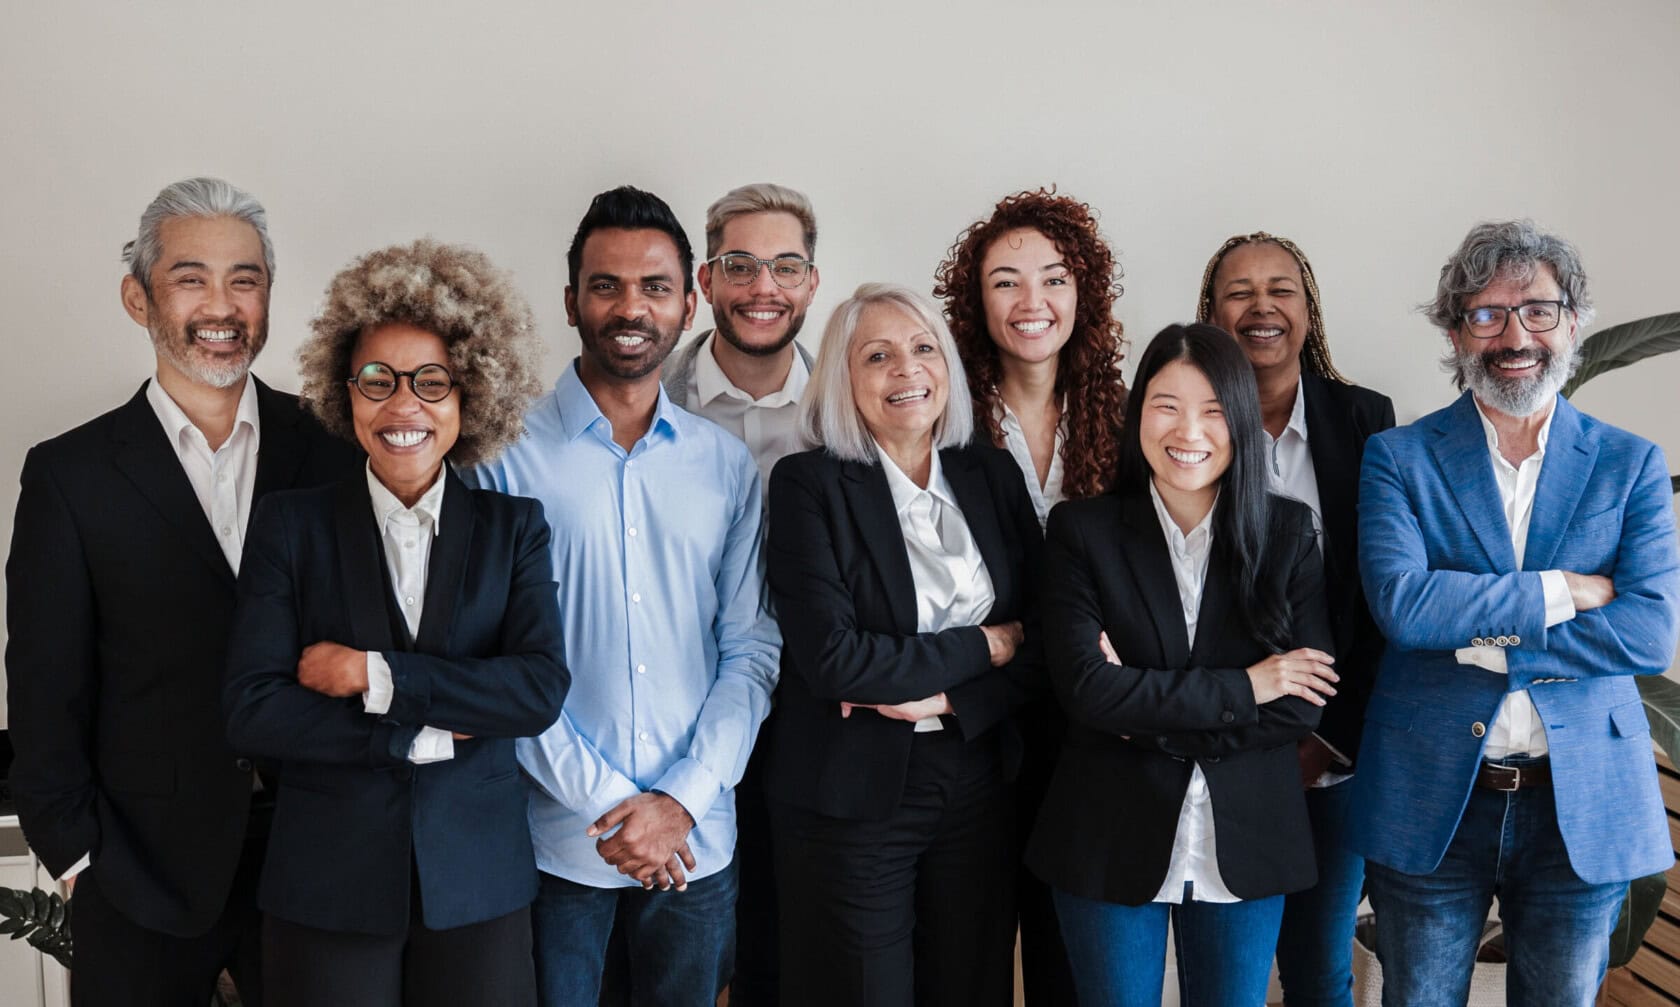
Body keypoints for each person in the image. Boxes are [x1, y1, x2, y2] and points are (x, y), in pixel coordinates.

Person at [4, 177, 360, 1006]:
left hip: (314, 861)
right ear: (139, 297)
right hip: (137, 872)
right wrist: (80, 862)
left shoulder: (338, 451)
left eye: (245, 278)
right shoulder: (70, 476)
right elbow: (46, 691)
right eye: (191, 277)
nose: (223, 303)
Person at [221, 239, 567, 1006]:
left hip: (478, 887)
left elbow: (536, 690)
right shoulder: (289, 526)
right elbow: (252, 708)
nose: (403, 404)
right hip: (326, 890)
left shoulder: (516, 529)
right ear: (346, 392)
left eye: (431, 381)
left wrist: (373, 675)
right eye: (377, 380)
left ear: (468, 394)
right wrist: (421, 731)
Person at [464, 185, 781, 1007]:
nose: (630, 307)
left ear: (689, 301)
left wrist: (680, 799)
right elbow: (496, 661)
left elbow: (749, 650)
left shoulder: (724, 467)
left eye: (654, 287)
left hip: (696, 842)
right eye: (606, 285)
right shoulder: (502, 458)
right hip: (557, 843)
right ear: (570, 300)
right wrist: (614, 807)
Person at [1350, 220, 1680, 1005]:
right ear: (1457, 331)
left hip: (1580, 805)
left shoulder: (1630, 464)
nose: (1513, 334)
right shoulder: (1398, 458)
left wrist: (1493, 646)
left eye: (1536, 309)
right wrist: (1563, 591)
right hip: (1434, 795)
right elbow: (1406, 606)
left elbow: (1647, 629)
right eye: (1486, 314)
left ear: (1572, 321)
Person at [1028, 323, 1339, 1006]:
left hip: (1249, 835)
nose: (1188, 430)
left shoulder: (1288, 535)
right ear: (1139, 411)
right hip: (1107, 833)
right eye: (1166, 404)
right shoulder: (1081, 531)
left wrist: (1138, 708)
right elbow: (1085, 690)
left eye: (1213, 410)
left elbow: (1300, 706)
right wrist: (1248, 684)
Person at [765, 282, 1043, 1007]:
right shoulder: (808, 485)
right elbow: (835, 660)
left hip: (980, 776)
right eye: (877, 355)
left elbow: (1045, 639)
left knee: (972, 985)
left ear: (947, 366)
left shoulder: (991, 472)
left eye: (923, 349)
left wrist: (948, 689)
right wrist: (989, 646)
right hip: (855, 793)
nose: (906, 370)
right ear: (842, 378)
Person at [935, 186, 1128, 1004]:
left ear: (1083, 294)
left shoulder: (1126, 417)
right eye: (1006, 280)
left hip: (1092, 726)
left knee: (1071, 961)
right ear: (976, 301)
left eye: (1053, 278)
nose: (1031, 301)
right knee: (967, 953)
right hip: (972, 721)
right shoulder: (940, 416)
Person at [1196, 231, 1394, 1007]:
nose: (1261, 307)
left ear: (1308, 310)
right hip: (1221, 746)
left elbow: (1383, 601)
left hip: (1336, 750)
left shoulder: (1365, 421)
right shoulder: (1182, 423)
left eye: (1281, 288)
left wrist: (1324, 738)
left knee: (1318, 966)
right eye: (1238, 292)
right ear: (1211, 313)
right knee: (1231, 975)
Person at [660, 182, 821, 1006]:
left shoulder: (852, 410)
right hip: (679, 713)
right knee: (684, 948)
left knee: (787, 943)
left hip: (816, 712)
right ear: (706, 278)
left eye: (786, 266)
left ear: (812, 283)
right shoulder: (647, 398)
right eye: (741, 265)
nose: (765, 287)